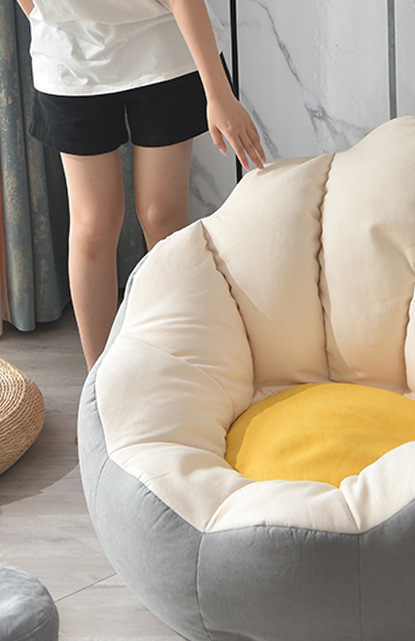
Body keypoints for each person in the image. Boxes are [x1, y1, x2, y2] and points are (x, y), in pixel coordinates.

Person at [15, 0, 265, 370]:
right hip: (70, 56)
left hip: (163, 49)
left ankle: (178, 366)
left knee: (162, 215)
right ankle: (99, 386)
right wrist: (56, 19)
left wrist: (219, 94)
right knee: (94, 224)